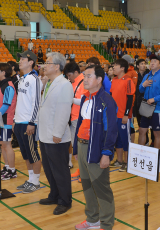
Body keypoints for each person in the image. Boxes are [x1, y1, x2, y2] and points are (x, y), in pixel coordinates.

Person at [73, 65, 117, 230]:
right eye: (84, 76)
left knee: (101, 187)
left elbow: (111, 130)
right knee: (87, 186)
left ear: (99, 79)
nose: (85, 79)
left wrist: (106, 153)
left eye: (89, 76)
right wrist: (76, 149)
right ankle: (92, 219)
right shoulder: (85, 98)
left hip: (97, 150)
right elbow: (80, 125)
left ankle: (106, 224)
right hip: (82, 146)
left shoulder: (107, 101)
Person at [37, 52, 73, 215]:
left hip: (56, 136)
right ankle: (54, 194)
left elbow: (64, 111)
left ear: (57, 66)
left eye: (48, 62)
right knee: (49, 168)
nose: (44, 65)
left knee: (60, 169)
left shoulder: (64, 85)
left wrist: (58, 132)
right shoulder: (50, 83)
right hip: (45, 134)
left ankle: (65, 200)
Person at [14, 50, 43, 193]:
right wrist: (15, 120)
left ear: (31, 62)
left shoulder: (34, 79)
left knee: (33, 153)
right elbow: (21, 102)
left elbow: (36, 102)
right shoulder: (22, 79)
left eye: (23, 59)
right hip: (19, 122)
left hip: (28, 122)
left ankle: (36, 182)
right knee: (25, 154)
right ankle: (31, 179)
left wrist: (33, 122)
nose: (20, 61)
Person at [138, 55, 160, 149]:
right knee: (142, 131)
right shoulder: (147, 76)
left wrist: (154, 99)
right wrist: (143, 85)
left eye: (154, 61)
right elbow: (140, 90)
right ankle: (141, 153)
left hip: (157, 109)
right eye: (151, 61)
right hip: (145, 108)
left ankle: (156, 156)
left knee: (156, 133)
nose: (152, 63)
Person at [110, 58, 136, 171]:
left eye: (116, 65)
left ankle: (127, 162)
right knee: (117, 139)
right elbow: (111, 96)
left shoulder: (128, 80)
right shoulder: (114, 80)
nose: (113, 67)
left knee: (126, 140)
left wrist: (126, 114)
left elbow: (130, 99)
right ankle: (119, 160)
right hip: (114, 116)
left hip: (123, 116)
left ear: (122, 68)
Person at [0, 62, 18, 179]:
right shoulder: (0, 84)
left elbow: (6, 104)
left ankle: (12, 170)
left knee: (7, 145)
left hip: (5, 120)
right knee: (2, 145)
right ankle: (7, 167)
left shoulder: (9, 86)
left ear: (3, 72)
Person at [64, 62, 85, 177]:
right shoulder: (73, 82)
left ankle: (83, 172)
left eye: (69, 75)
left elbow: (83, 100)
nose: (69, 78)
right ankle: (80, 169)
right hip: (73, 117)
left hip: (79, 117)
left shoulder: (83, 81)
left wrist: (69, 98)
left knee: (80, 145)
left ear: (76, 72)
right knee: (74, 144)